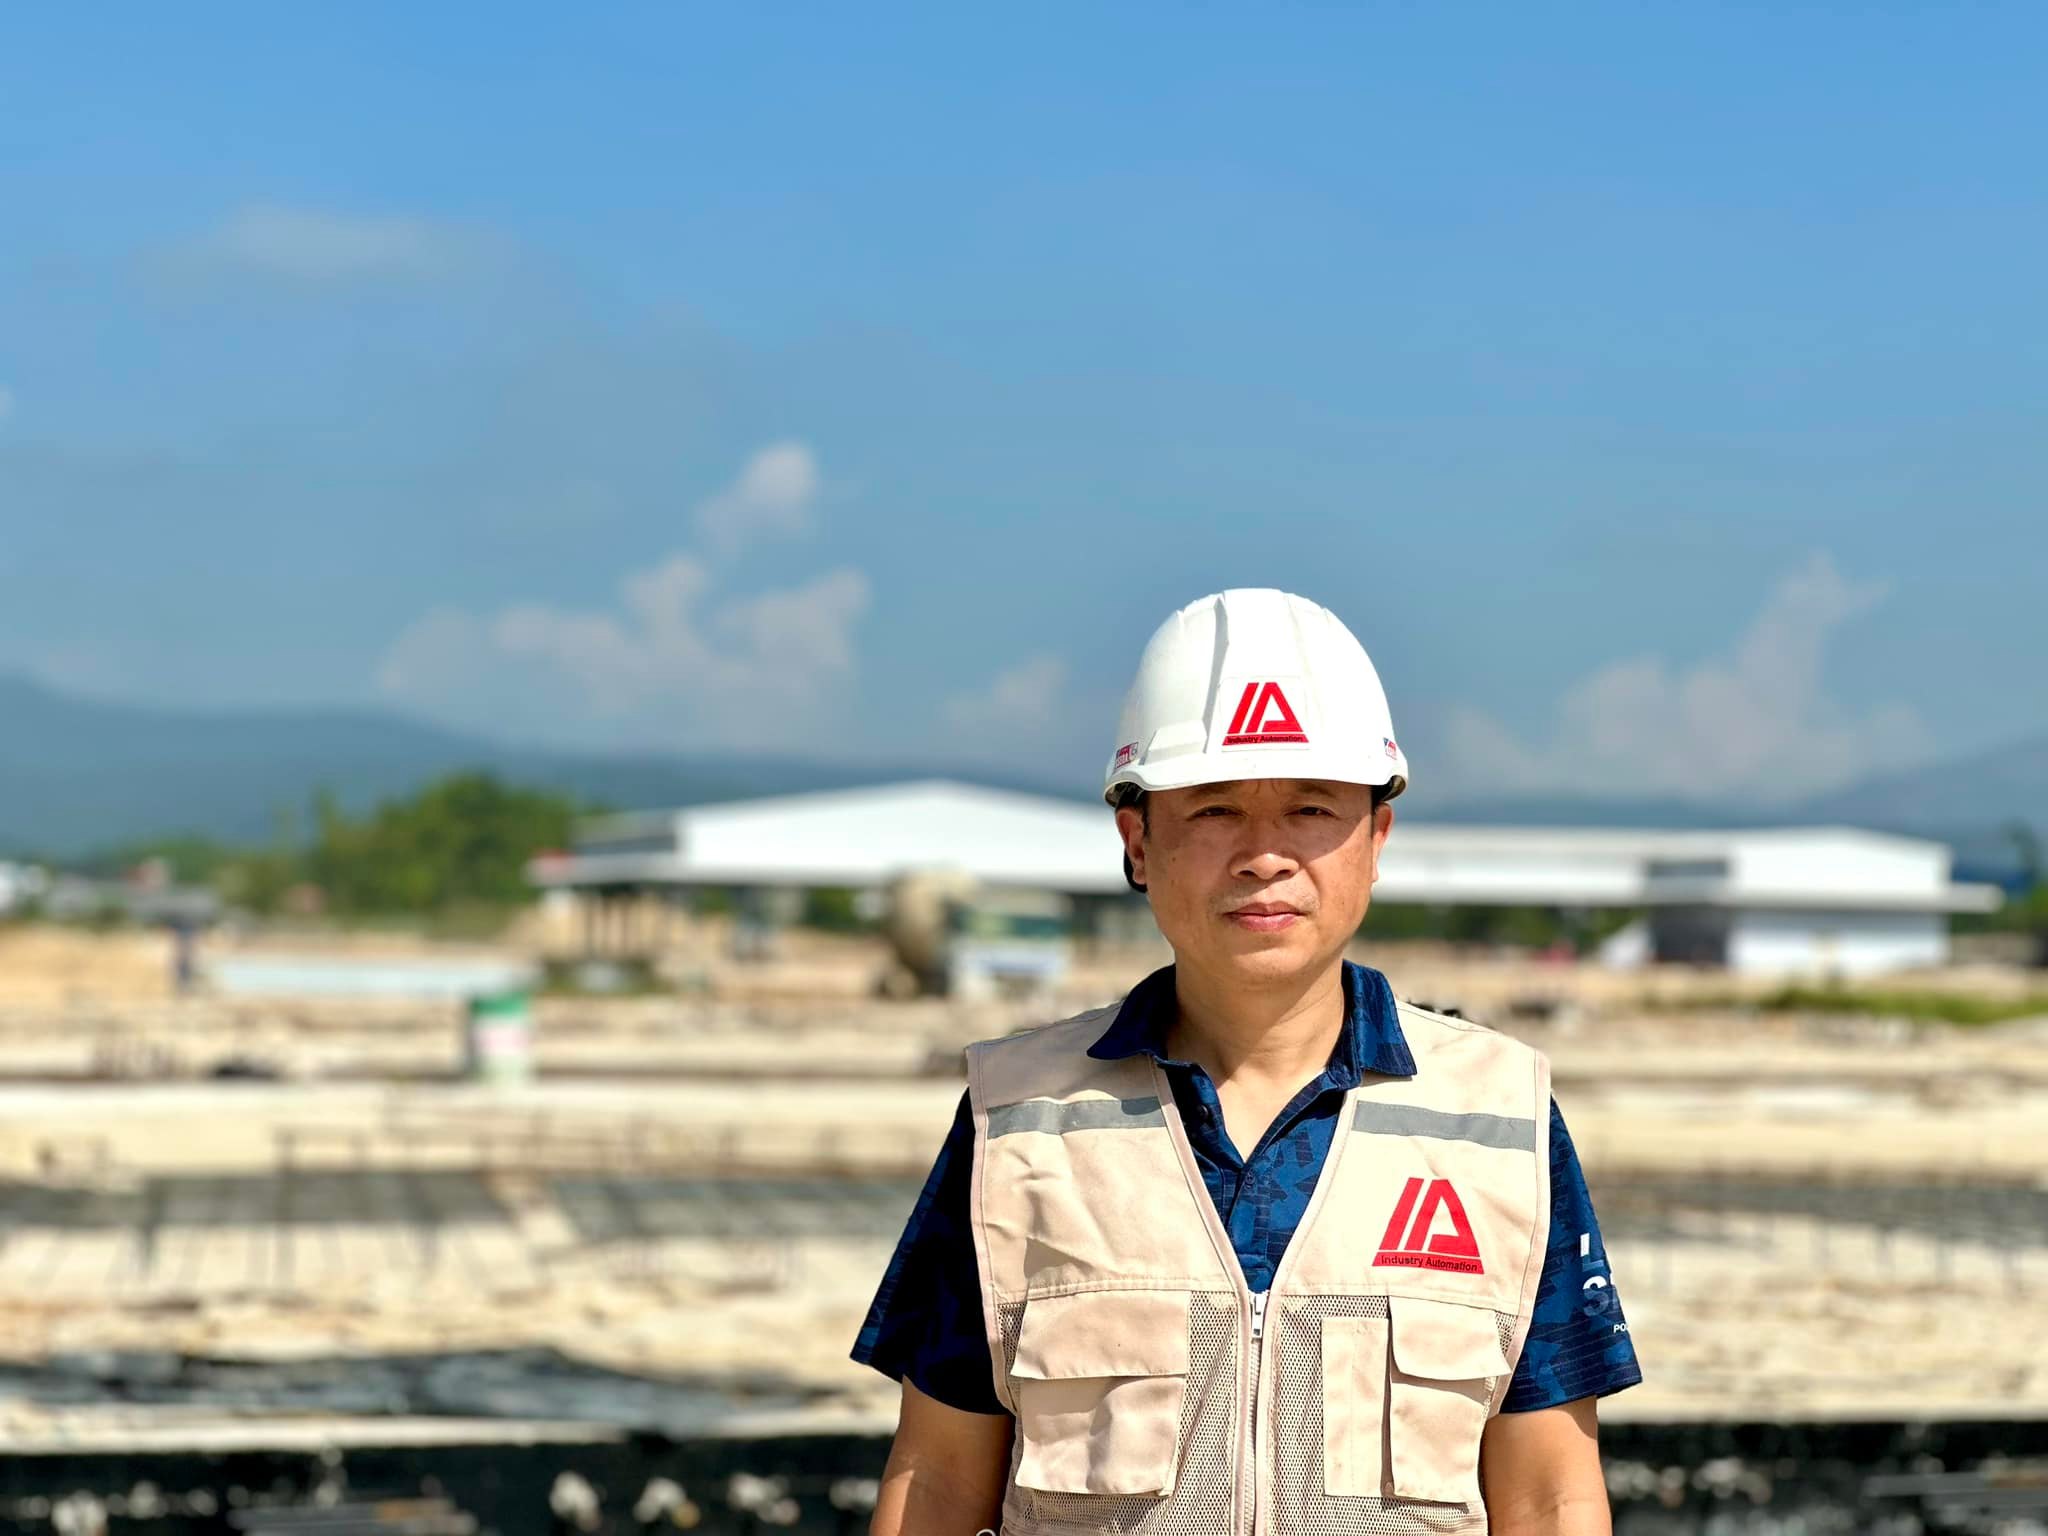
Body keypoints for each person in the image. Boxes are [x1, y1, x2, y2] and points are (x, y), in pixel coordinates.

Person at [854, 588, 1640, 1536]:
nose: (1265, 856)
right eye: (1216, 809)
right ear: (1138, 841)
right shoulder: (1017, 1120)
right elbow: (937, 1478)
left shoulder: (1498, 1120)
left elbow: (1552, 1493)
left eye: (1311, 808)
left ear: (1376, 838)